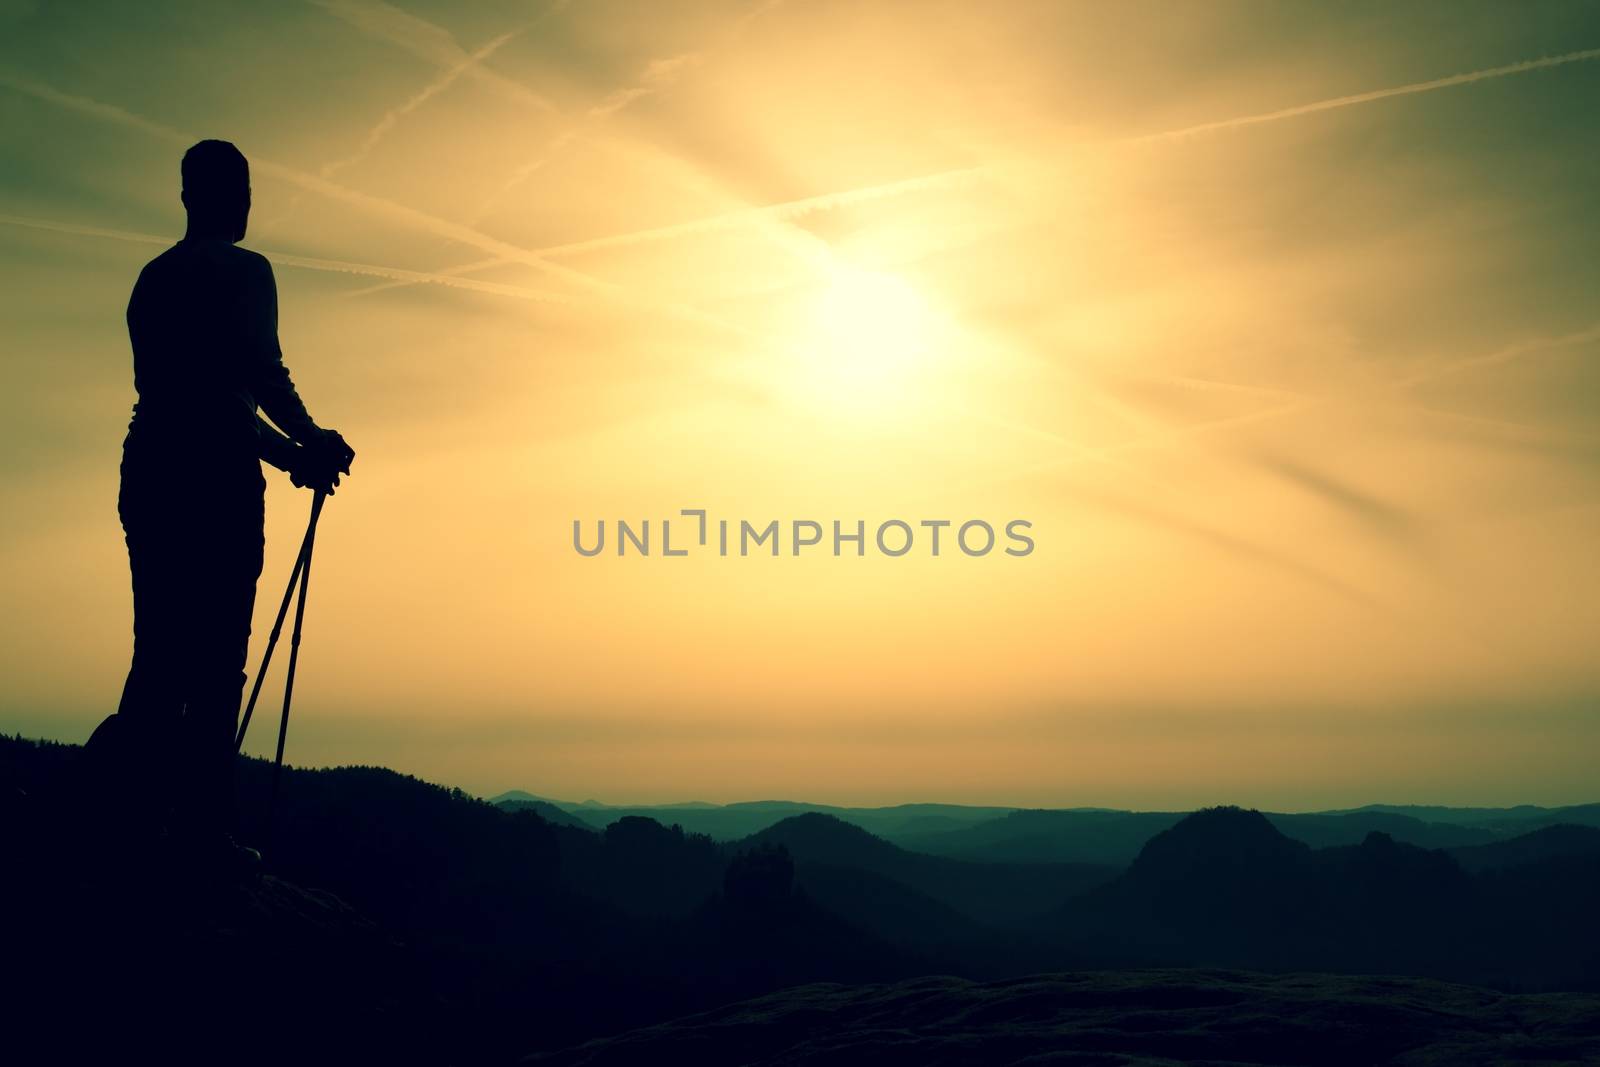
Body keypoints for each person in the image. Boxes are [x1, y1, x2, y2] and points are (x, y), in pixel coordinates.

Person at [90, 139, 354, 869]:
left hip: (149, 471)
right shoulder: (246, 272)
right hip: (216, 483)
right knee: (219, 660)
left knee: (160, 651)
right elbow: (254, 380)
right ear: (223, 197)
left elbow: (196, 398)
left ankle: (134, 821)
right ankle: (202, 833)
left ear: (183, 197)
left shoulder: (151, 281)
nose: (246, 202)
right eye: (241, 189)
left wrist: (293, 451)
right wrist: (308, 442)